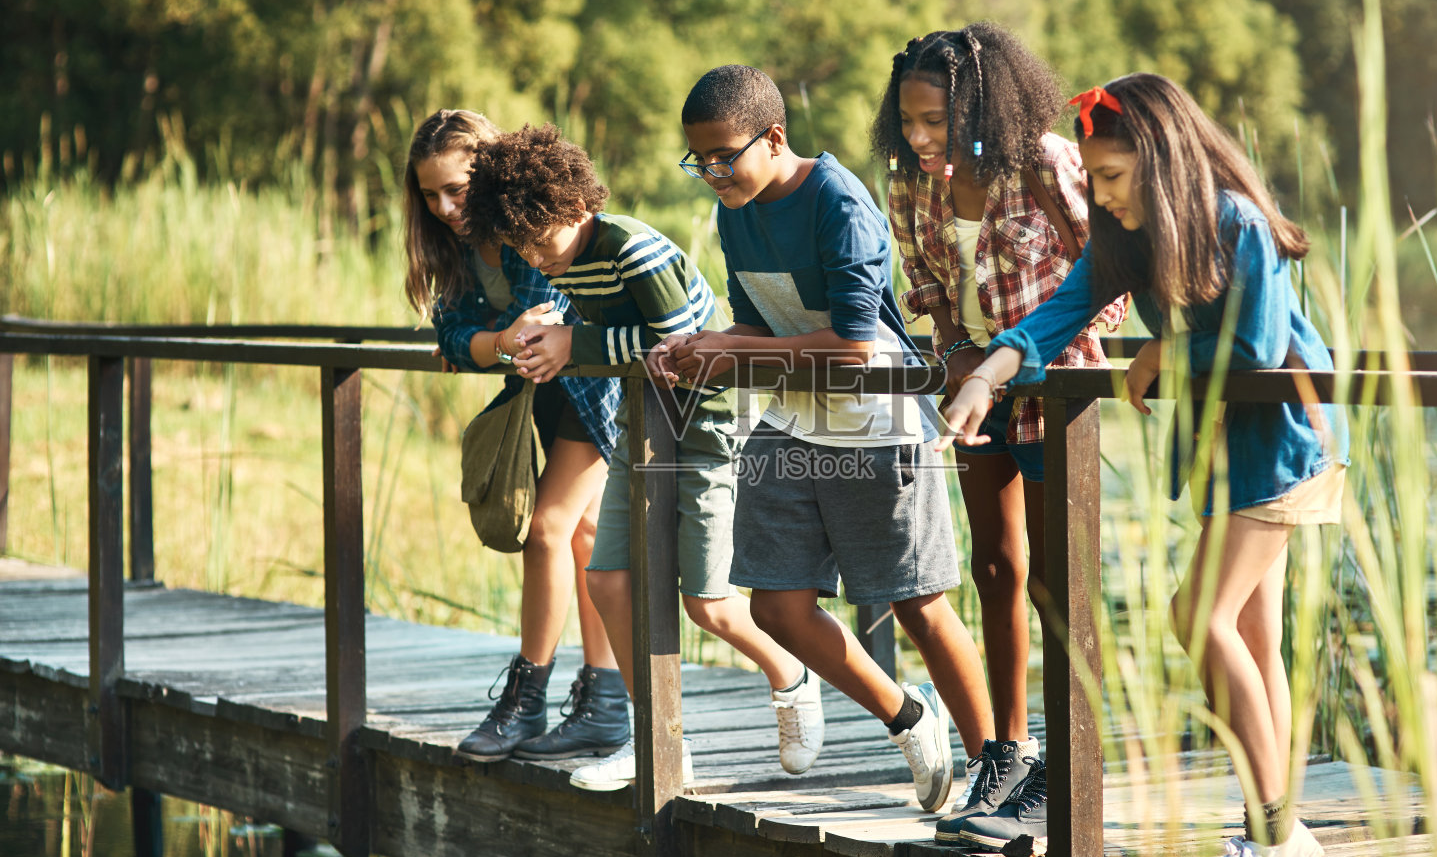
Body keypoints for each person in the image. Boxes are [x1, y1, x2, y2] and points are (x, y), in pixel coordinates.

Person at [940, 73, 1348, 857]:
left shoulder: (1235, 221)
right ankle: (1266, 824)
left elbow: (1261, 347)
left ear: (1162, 164)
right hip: (1224, 447)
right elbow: (1058, 315)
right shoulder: (1129, 236)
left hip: (1283, 440)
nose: (1099, 194)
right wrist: (987, 374)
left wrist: (1166, 355)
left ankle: (1277, 837)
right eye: (1092, 178)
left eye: (1114, 178)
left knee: (1197, 617)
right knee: (1252, 637)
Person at [664, 65, 994, 814]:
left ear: (773, 137)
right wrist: (701, 341)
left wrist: (736, 353)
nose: (712, 173)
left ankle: (996, 768)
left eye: (724, 156)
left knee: (917, 603)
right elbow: (757, 323)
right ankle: (907, 716)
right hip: (791, 416)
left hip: (877, 417)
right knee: (775, 606)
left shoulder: (837, 202)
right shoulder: (736, 209)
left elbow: (853, 344)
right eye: (699, 160)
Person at [461, 122, 821, 790]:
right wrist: (550, 338)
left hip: (708, 420)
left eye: (540, 242)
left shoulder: (632, 249)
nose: (536, 259)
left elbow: (681, 351)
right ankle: (660, 740)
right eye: (521, 248)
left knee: (707, 602)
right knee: (607, 580)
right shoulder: (567, 262)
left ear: (575, 206)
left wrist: (575, 345)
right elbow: (600, 337)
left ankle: (790, 675)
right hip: (641, 423)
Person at [870, 23, 1128, 844]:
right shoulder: (913, 184)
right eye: (908, 121)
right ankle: (1005, 757)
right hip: (971, 393)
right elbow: (928, 290)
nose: (920, 137)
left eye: (936, 121)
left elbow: (1111, 275)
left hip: (1054, 392)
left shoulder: (1047, 163)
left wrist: (1034, 357)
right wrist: (958, 356)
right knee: (994, 566)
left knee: (1056, 580)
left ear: (981, 105)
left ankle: (1066, 762)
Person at [402, 109, 631, 765]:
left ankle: (526, 698)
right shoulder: (454, 246)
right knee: (585, 536)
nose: (446, 206)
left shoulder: (519, 220)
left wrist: (494, 341)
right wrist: (493, 341)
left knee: (549, 530)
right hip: (544, 391)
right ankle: (606, 703)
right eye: (431, 194)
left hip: (593, 384)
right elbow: (453, 332)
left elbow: (538, 320)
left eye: (457, 188)